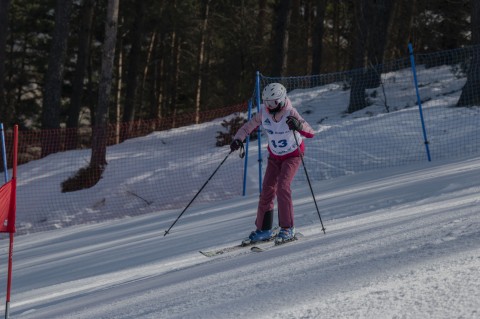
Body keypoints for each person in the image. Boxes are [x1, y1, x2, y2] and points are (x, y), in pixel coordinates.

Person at [230, 83, 315, 244]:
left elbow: (310, 132)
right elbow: (248, 127)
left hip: (293, 155)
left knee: (283, 187)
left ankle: (288, 228)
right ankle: (264, 229)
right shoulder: (264, 112)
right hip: (275, 157)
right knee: (267, 190)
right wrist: (238, 139)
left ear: (282, 100)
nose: (270, 106)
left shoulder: (290, 112)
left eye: (273, 103)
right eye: (267, 102)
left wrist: (298, 126)